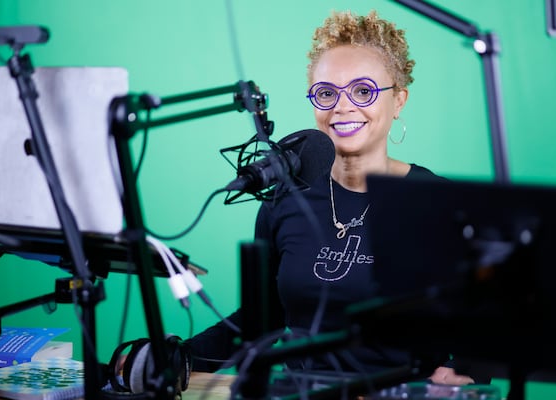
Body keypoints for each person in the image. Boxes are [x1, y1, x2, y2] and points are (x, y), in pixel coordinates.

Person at [184, 9, 484, 389]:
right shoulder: (283, 200)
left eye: (363, 91)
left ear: (400, 101)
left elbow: (491, 315)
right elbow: (263, 318)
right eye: (326, 93)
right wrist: (176, 358)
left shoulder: (435, 202)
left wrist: (473, 367)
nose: (342, 106)